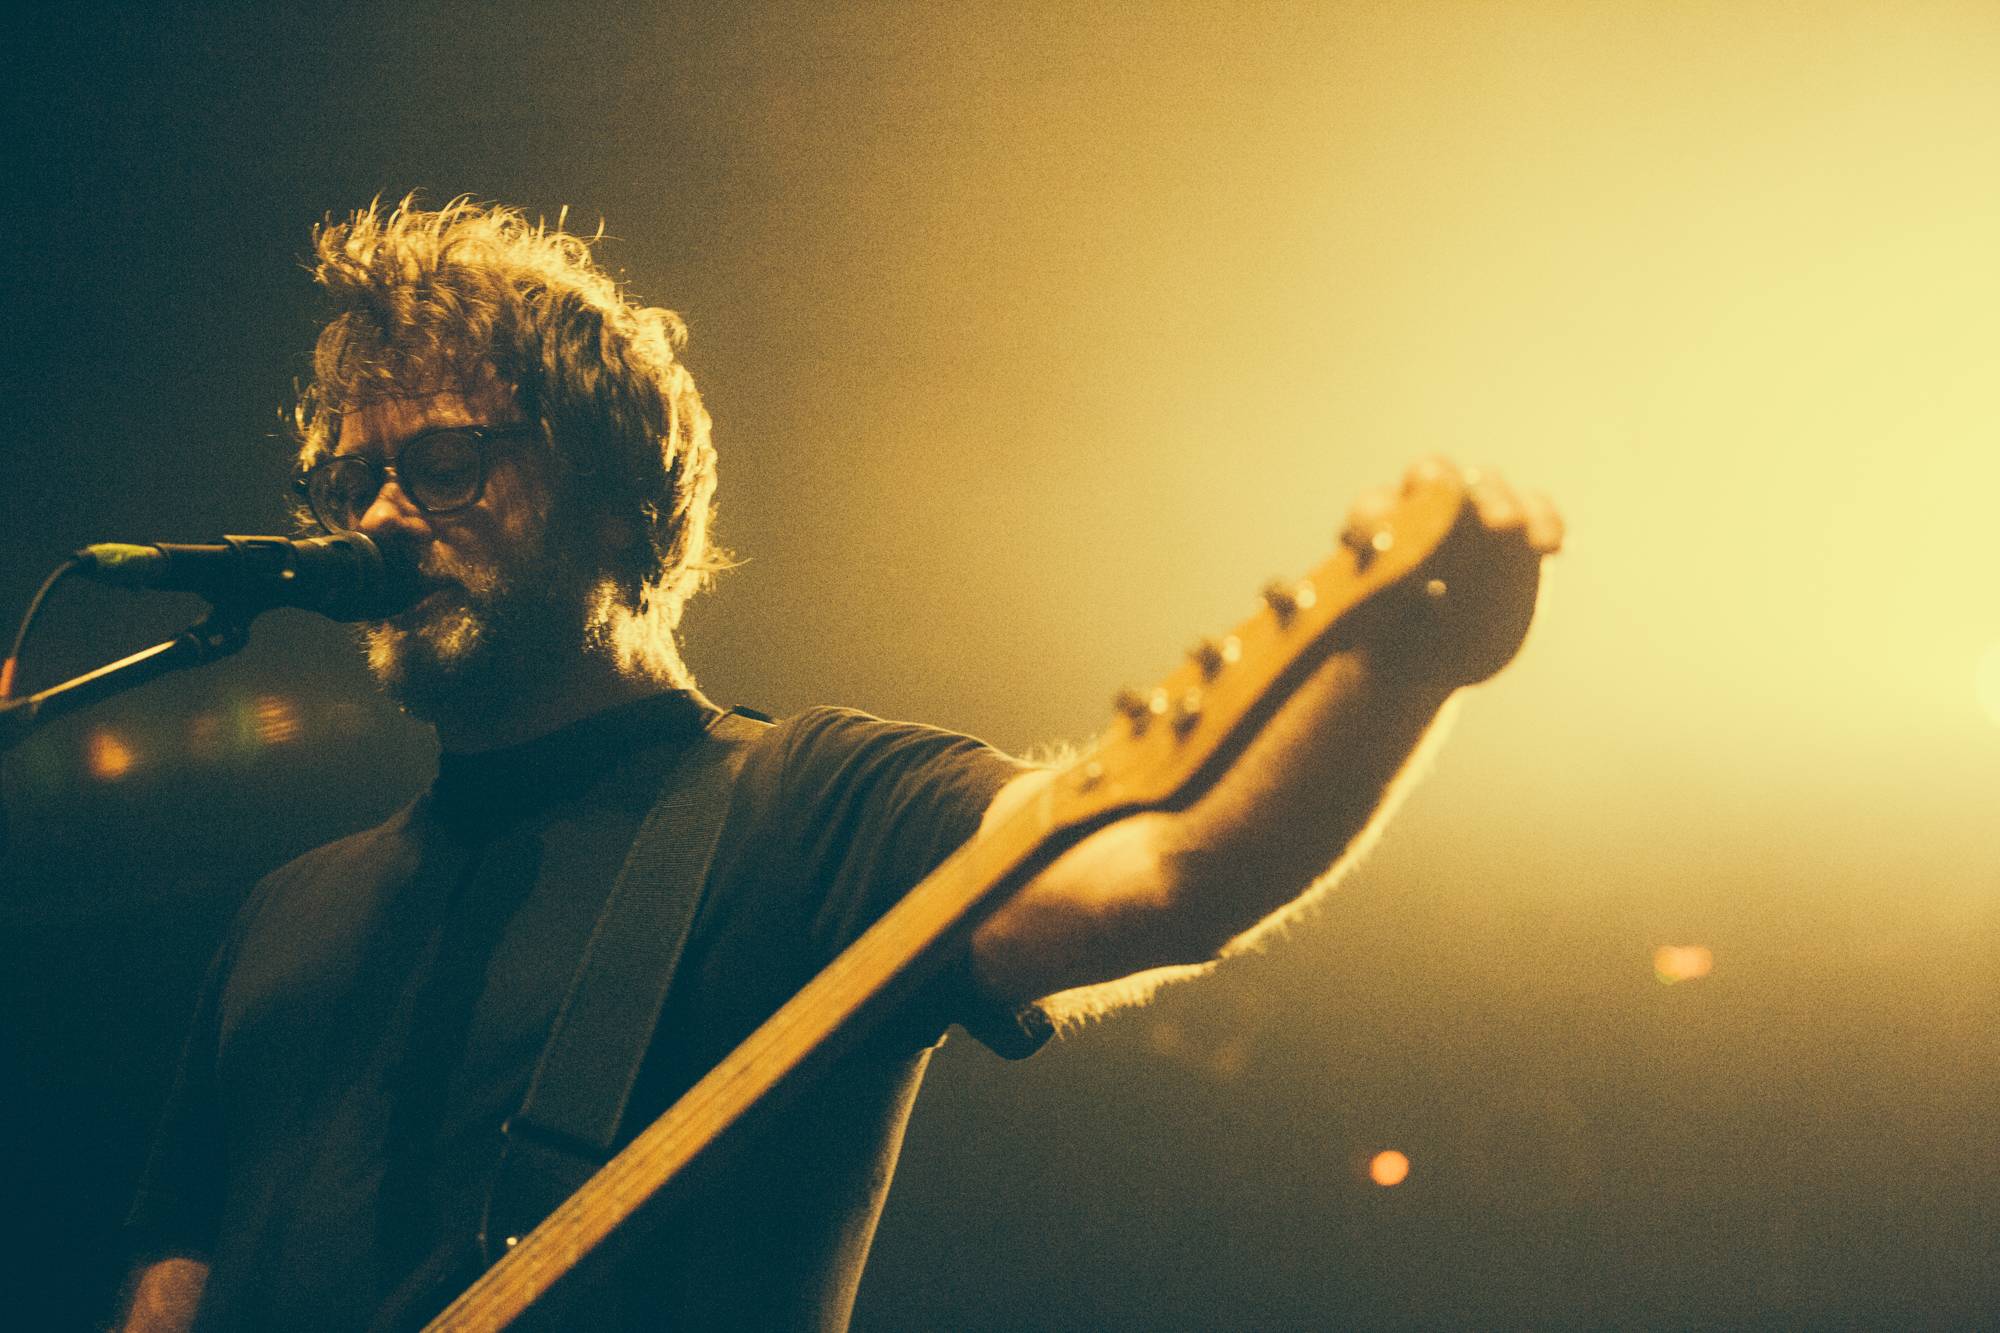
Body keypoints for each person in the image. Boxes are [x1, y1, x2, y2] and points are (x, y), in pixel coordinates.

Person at [116, 197, 1562, 1332]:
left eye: (443, 463)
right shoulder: (286, 914)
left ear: (619, 498)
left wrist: (1408, 667)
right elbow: (176, 1283)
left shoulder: (807, 807)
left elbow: (1172, 874)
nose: (380, 518)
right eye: (349, 480)